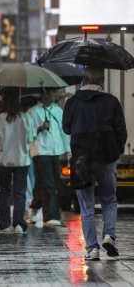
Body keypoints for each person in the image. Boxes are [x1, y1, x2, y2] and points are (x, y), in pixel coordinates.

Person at [63, 66, 127, 261]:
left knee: (86, 206)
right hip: (106, 156)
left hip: (81, 157)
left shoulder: (73, 102)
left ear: (83, 80)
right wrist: (117, 150)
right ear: (102, 80)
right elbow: (121, 131)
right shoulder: (111, 101)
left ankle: (92, 248)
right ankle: (109, 235)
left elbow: (66, 128)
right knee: (109, 199)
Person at [0, 88, 34, 234]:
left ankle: (4, 224)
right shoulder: (25, 117)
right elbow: (29, 139)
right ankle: (19, 223)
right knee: (20, 193)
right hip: (22, 159)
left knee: (4, 192)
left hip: (4, 161)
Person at [26, 88, 70, 227]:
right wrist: (40, 128)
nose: (56, 95)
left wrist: (68, 151)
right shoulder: (33, 112)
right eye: (53, 92)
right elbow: (28, 133)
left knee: (51, 183)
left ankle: (33, 205)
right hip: (40, 151)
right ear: (45, 94)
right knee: (49, 183)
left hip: (55, 151)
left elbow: (63, 132)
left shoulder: (58, 111)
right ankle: (50, 216)